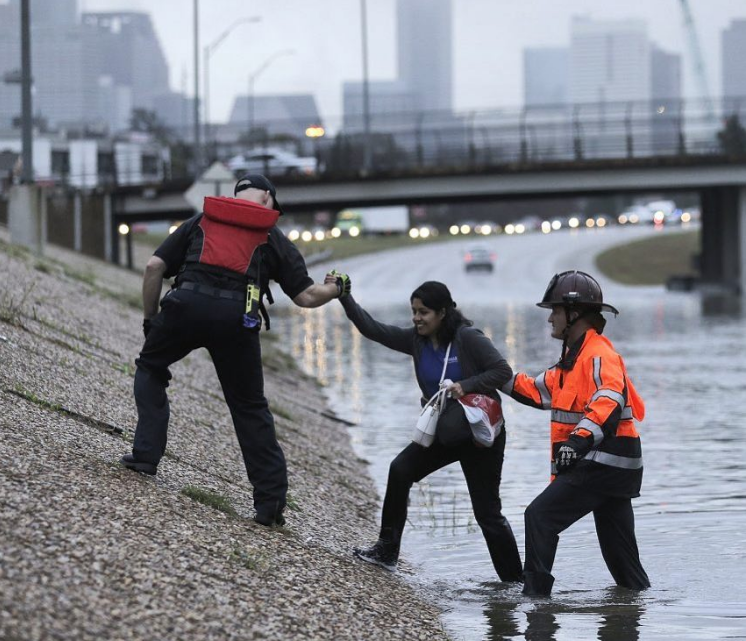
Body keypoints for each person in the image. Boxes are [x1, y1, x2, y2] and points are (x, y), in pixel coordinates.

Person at [120, 174, 350, 527]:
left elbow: (154, 267)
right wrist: (336, 289)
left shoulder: (201, 220)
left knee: (150, 368)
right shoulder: (271, 235)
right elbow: (306, 296)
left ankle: (145, 457)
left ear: (236, 194)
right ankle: (269, 505)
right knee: (249, 407)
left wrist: (151, 320)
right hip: (236, 320)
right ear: (268, 200)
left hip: (184, 307)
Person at [329, 279, 523, 581]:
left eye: (424, 312)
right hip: (445, 431)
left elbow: (502, 371)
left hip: (480, 435)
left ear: (443, 313)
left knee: (487, 514)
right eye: (414, 311)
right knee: (400, 470)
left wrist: (465, 386)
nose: (416, 318)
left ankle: (515, 584)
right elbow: (372, 329)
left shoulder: (467, 338)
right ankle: (387, 551)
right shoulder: (416, 341)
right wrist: (345, 297)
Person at [501, 270, 650, 596]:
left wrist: (577, 440)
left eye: (555, 311)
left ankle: (536, 604)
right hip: (613, 467)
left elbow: (609, 399)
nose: (550, 319)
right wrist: (494, 373)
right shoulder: (572, 362)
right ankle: (634, 610)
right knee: (623, 562)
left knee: (539, 516)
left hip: (602, 463)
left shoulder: (599, 354)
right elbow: (537, 390)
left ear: (575, 314)